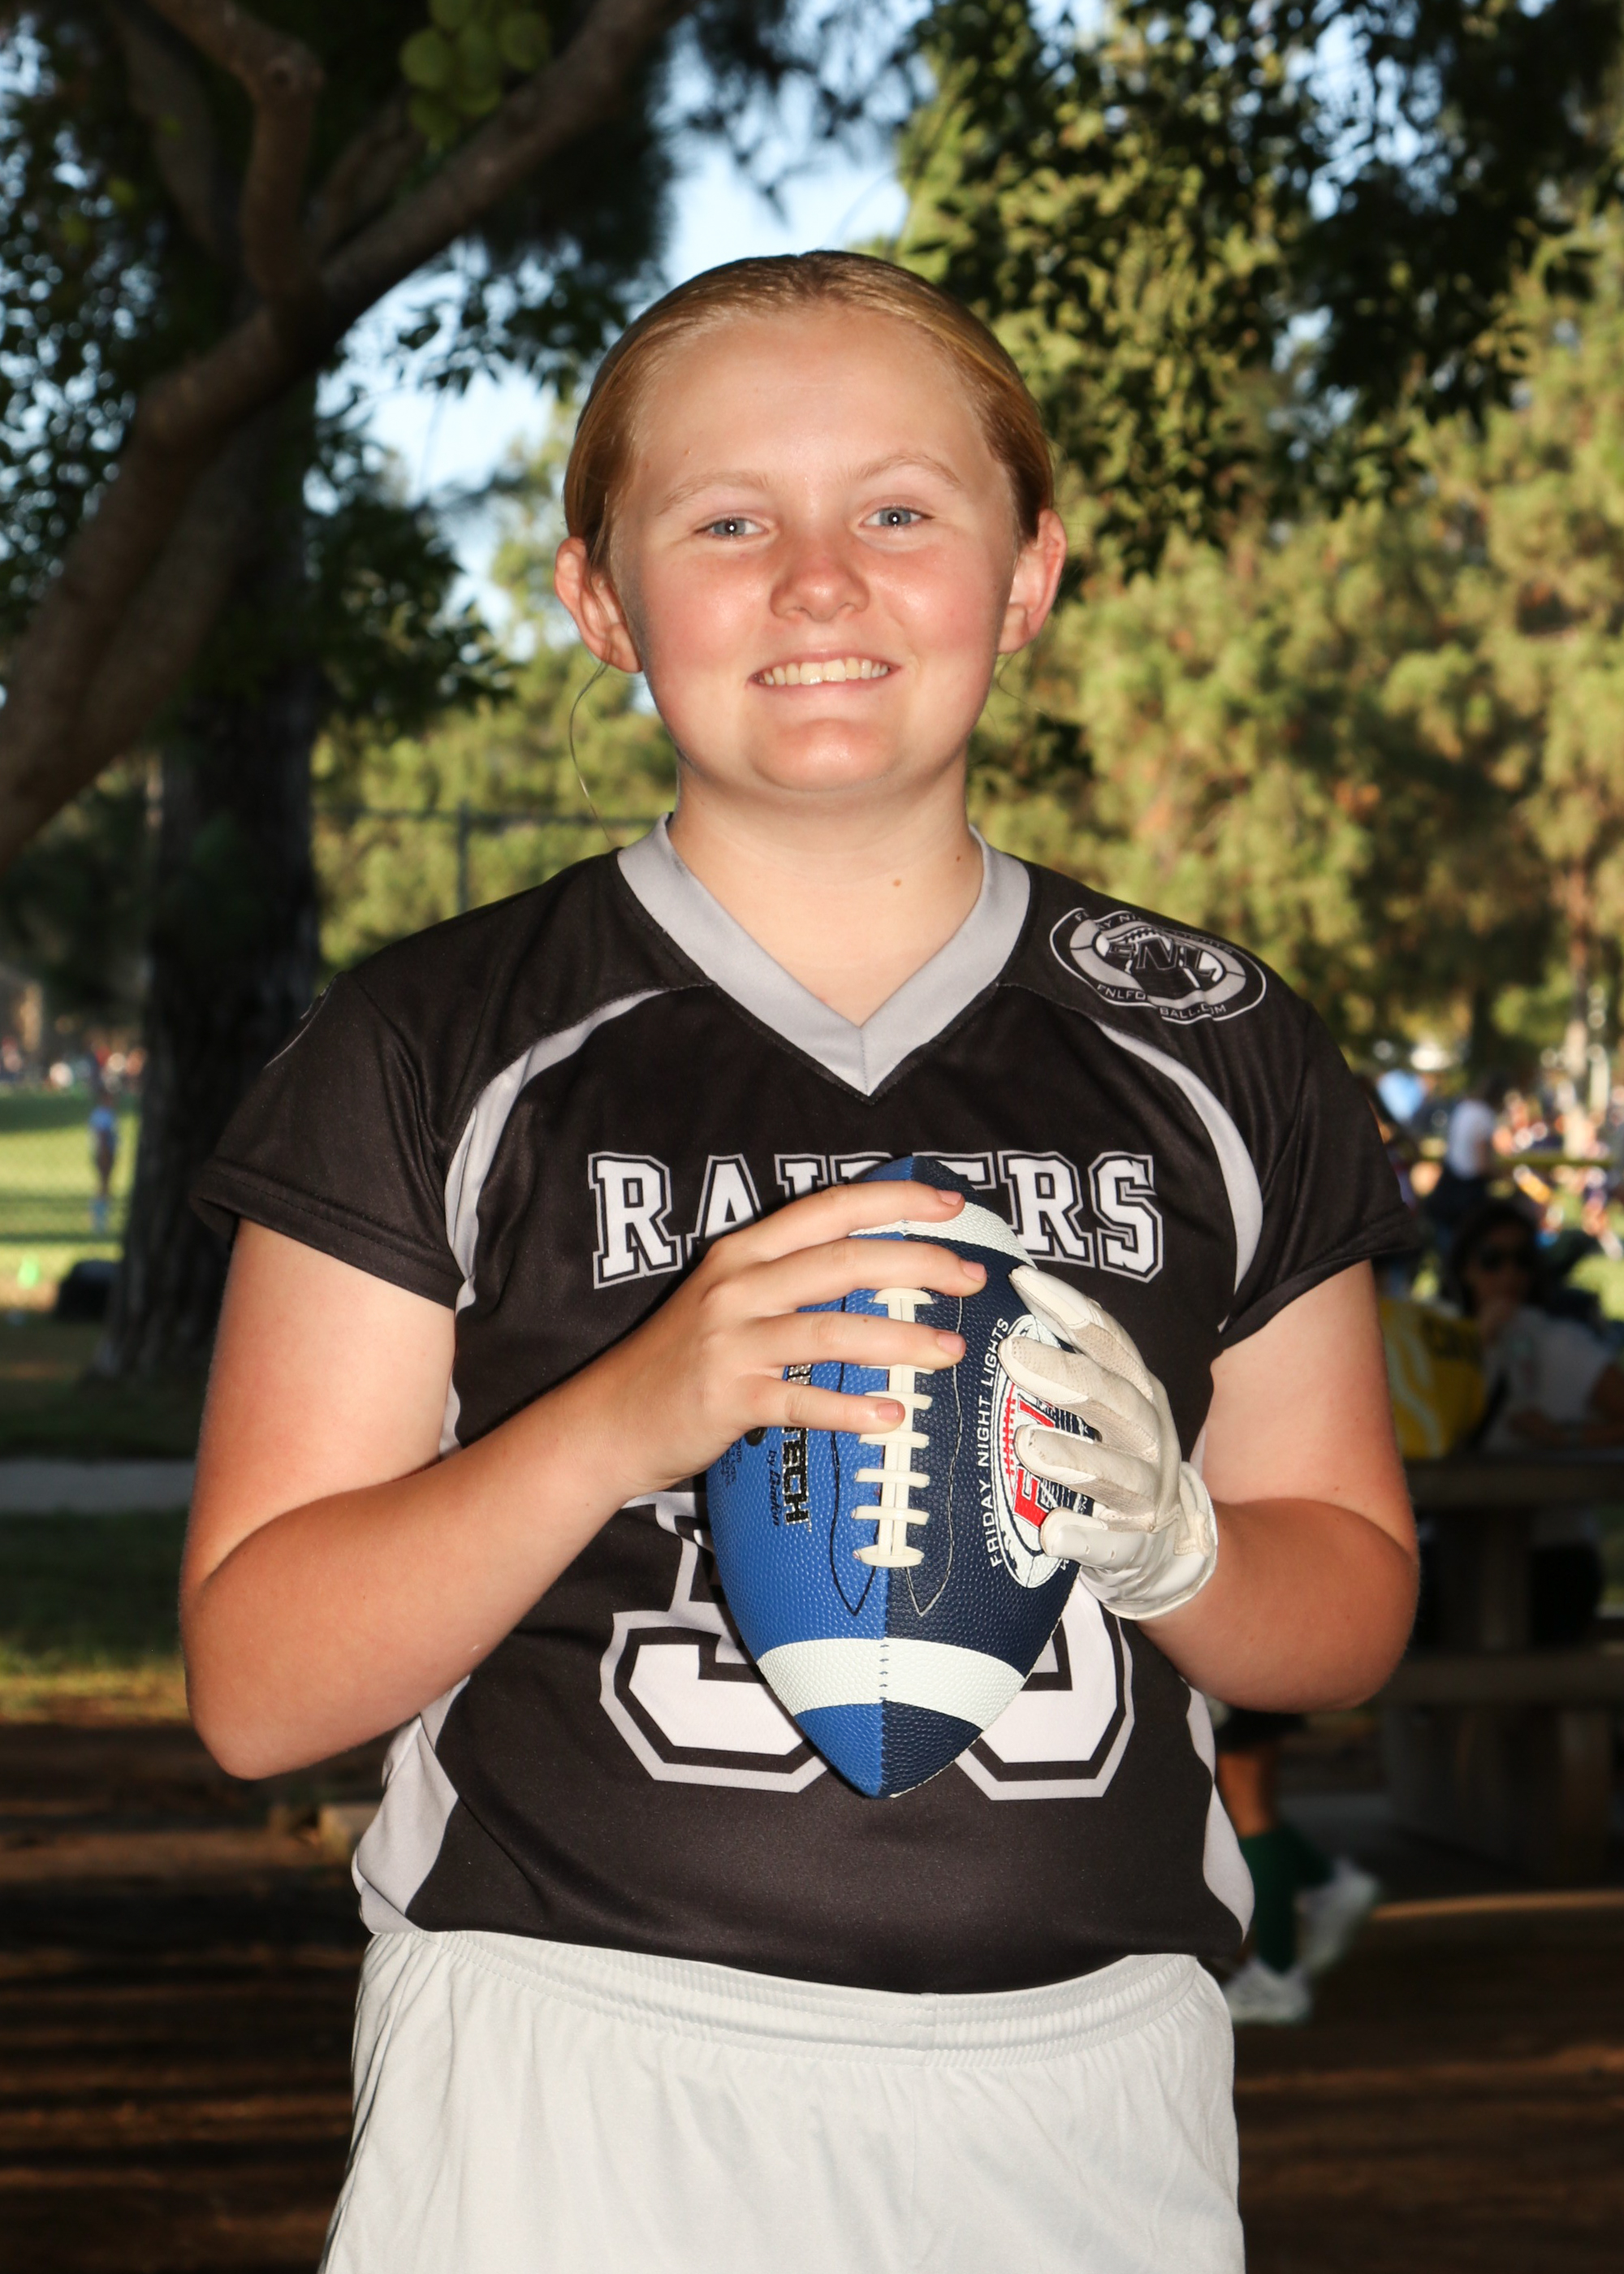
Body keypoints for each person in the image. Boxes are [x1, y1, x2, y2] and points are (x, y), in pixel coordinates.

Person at [183, 253, 1419, 2274]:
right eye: (729, 522)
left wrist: (1185, 1551)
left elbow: (1346, 1610)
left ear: (1026, 576)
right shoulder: (433, 1039)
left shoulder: (1214, 1044)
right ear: (599, 599)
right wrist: (620, 1419)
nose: (820, 583)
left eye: (899, 511)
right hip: (572, 2065)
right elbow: (255, 1685)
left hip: (1084, 2078)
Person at [1449, 1200, 1624, 1644]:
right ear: (1466, 1267)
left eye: (1523, 1259)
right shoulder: (1437, 1338)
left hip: (1554, 1552)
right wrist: (1474, 1346)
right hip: (1451, 1549)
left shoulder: (1561, 1342)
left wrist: (1564, 1435)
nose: (1509, 1273)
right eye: (1492, 1259)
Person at [1212, 1708, 1382, 2025]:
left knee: (1247, 1806)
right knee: (1242, 1803)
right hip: (1230, 1686)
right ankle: (1325, 1883)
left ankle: (1278, 1973)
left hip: (1232, 1686)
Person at [1427, 1070, 1512, 1253]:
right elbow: (1482, 1164)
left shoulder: (1465, 1108)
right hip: (1467, 1195)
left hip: (1448, 1186)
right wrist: (1505, 1176)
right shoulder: (1484, 1115)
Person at [87, 1083, 117, 1234]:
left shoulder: (104, 1113)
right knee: (103, 1185)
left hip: (104, 1153)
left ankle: (101, 1216)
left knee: (105, 1184)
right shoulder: (103, 1115)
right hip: (104, 1153)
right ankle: (99, 1218)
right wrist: (105, 1154)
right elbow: (102, 1135)